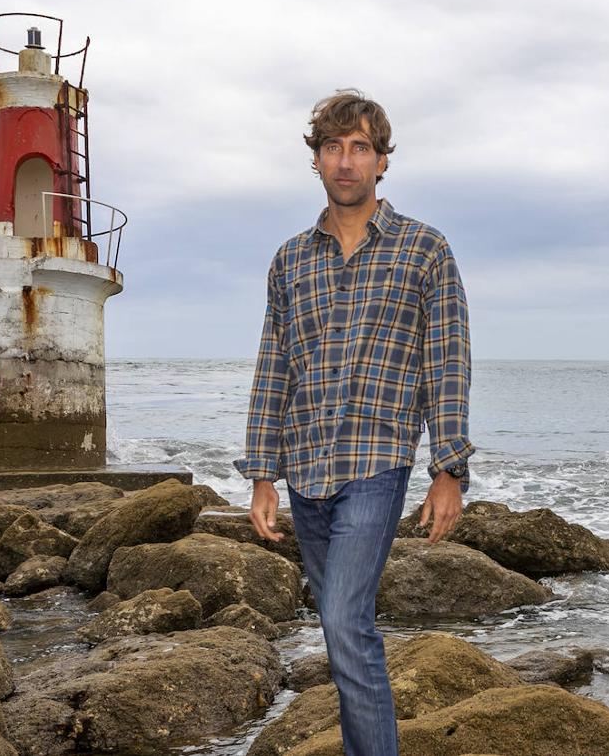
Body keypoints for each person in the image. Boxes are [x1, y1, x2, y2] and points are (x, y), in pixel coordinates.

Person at [234, 89, 474, 755]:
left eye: (360, 147)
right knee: (345, 629)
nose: (346, 161)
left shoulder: (425, 249)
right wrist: (261, 475)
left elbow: (447, 361)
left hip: (376, 464)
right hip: (305, 473)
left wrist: (449, 469)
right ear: (316, 161)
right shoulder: (290, 260)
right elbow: (273, 369)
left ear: (382, 162)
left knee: (343, 620)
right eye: (333, 148)